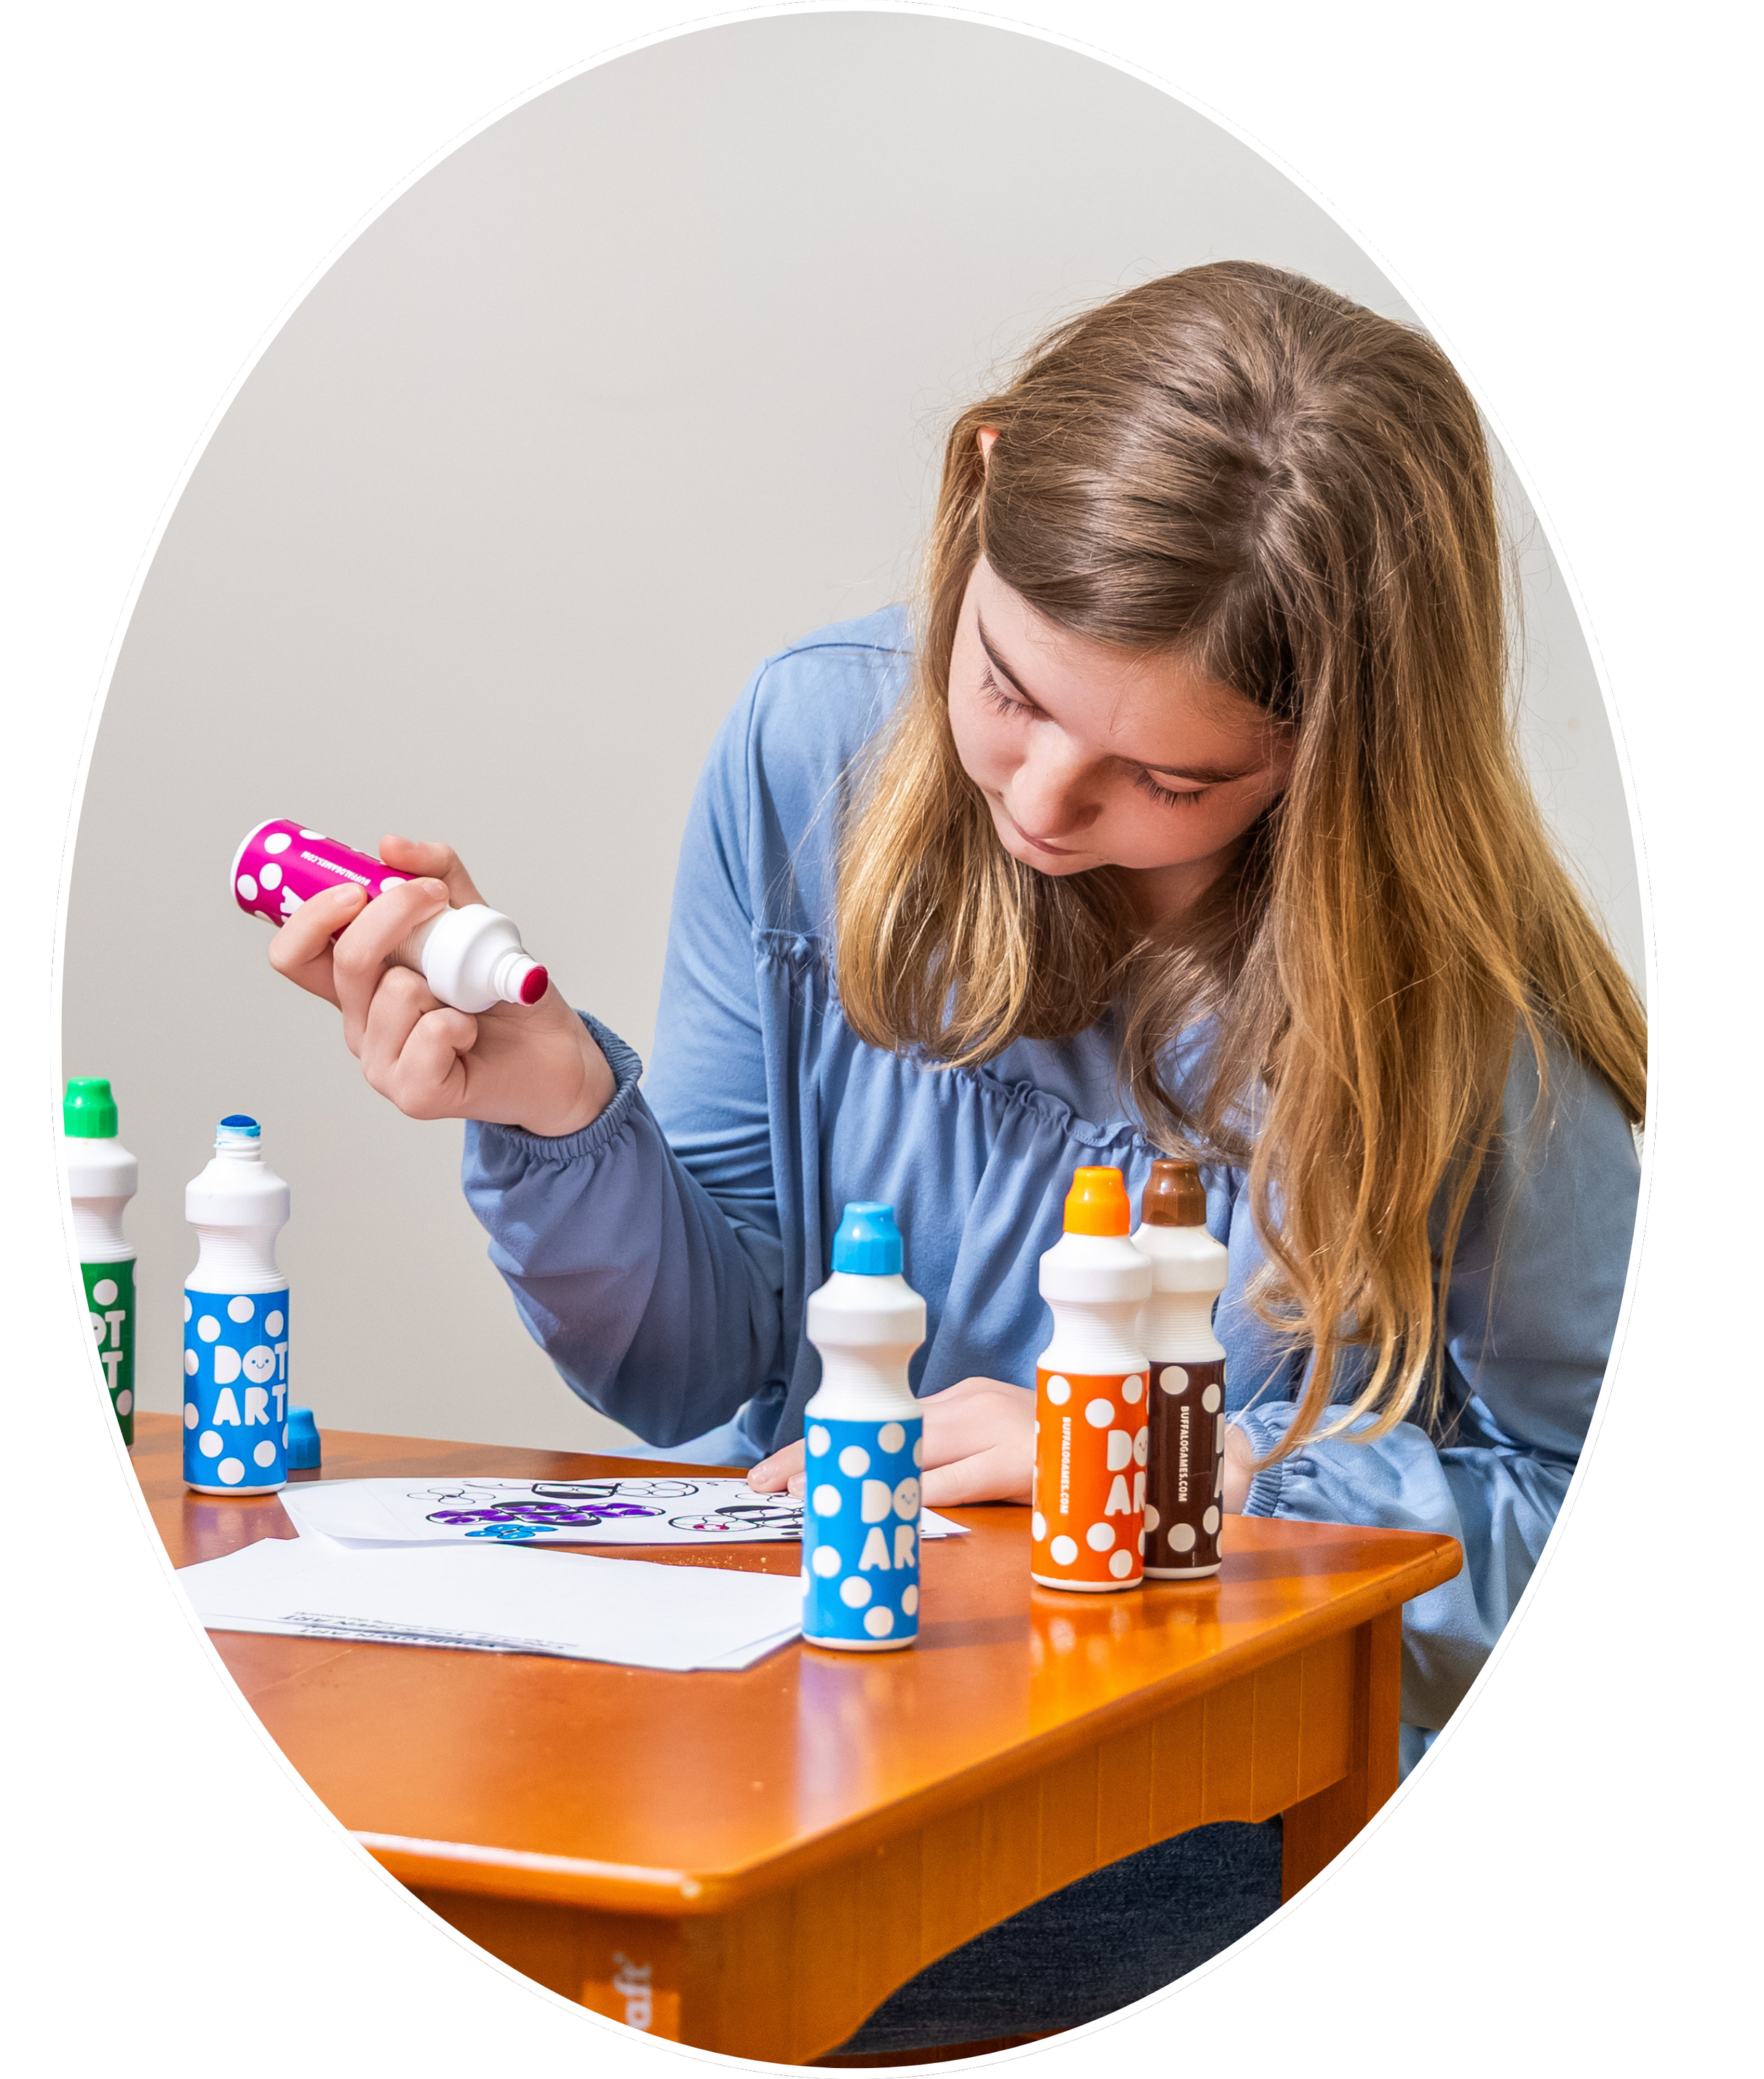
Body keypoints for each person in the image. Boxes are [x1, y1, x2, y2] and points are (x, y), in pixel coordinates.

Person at [268, 262, 1646, 2048]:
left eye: (1167, 781)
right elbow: (698, 1368)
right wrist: (557, 1110)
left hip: (1191, 1812)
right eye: (1007, 686)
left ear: (1333, 743)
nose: (1042, 803)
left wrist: (1167, 1473)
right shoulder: (811, 742)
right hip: (798, 1713)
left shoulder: (1461, 1009)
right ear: (979, 484)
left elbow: (1562, 1512)